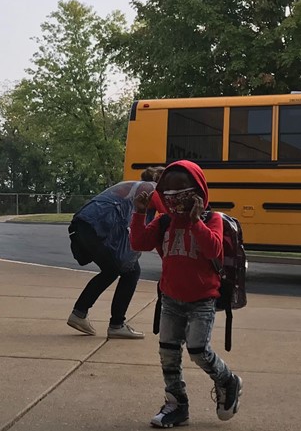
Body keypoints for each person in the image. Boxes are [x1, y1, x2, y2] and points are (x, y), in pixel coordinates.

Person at [131, 161, 243, 428]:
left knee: (198, 350)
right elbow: (138, 242)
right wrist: (140, 213)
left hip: (202, 300)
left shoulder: (211, 220)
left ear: (199, 191)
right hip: (171, 299)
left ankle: (227, 380)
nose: (174, 197)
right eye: (168, 191)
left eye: (182, 190)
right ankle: (176, 404)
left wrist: (195, 222)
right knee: (168, 353)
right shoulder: (164, 221)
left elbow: (214, 250)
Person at [65, 166, 163, 340]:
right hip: (96, 226)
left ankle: (80, 313)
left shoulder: (135, 188)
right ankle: (116, 325)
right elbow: (170, 211)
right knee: (128, 270)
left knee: (116, 270)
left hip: (88, 226)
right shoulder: (149, 188)